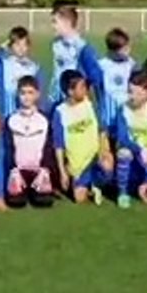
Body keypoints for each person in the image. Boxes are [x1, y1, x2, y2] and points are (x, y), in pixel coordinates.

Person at [52, 70, 112, 205]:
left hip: (95, 158)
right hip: (77, 165)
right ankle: (89, 187)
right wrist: (62, 171)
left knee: (107, 165)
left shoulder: (90, 104)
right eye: (82, 87)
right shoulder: (60, 112)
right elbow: (58, 145)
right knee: (79, 199)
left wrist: (105, 150)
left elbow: (102, 130)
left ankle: (97, 184)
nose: (86, 89)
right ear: (70, 91)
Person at [112, 72, 147, 208]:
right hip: (134, 155)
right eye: (129, 92)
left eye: (135, 93)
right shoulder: (123, 110)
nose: (131, 96)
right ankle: (122, 193)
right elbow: (122, 138)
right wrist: (140, 150)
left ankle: (145, 182)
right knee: (123, 152)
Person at [5, 76, 57, 208]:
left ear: (37, 95)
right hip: (18, 170)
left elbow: (49, 147)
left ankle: (37, 187)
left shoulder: (44, 119)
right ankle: (22, 188)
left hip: (39, 170)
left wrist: (45, 169)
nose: (26, 97)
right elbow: (8, 148)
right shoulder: (11, 119)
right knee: (16, 202)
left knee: (43, 202)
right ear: (17, 94)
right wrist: (13, 170)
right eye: (23, 93)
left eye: (30, 93)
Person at [0, 26, 43, 117]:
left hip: (27, 117)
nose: (21, 48)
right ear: (10, 46)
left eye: (24, 44)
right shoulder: (3, 65)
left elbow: (40, 91)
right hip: (5, 115)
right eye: (17, 45)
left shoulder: (34, 67)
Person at [49, 3, 102, 105]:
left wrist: (80, 91)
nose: (52, 26)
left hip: (74, 101)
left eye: (55, 22)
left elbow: (96, 77)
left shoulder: (83, 48)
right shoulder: (56, 44)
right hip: (56, 99)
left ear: (66, 22)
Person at [97, 28, 136, 133]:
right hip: (108, 116)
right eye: (124, 48)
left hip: (126, 113)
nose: (128, 50)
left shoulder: (131, 64)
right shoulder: (102, 65)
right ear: (113, 51)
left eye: (128, 47)